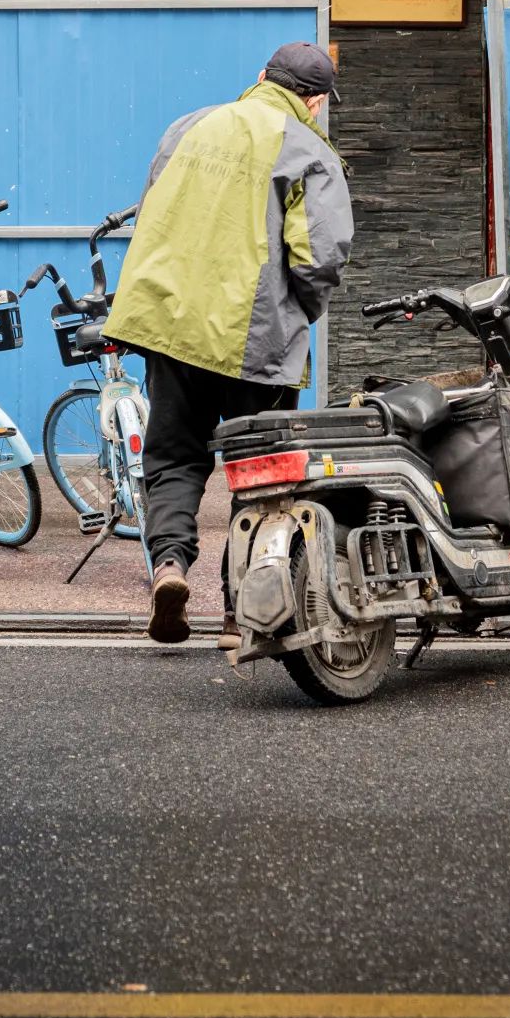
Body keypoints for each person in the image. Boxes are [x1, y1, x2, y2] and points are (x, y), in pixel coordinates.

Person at [102, 42, 353, 647]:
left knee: (174, 459)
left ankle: (168, 567)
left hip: (171, 327)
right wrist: (301, 311)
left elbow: (155, 214)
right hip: (255, 338)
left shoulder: (187, 128)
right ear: (314, 101)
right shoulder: (309, 151)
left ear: (261, 77)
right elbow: (322, 254)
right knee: (260, 477)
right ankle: (242, 611)